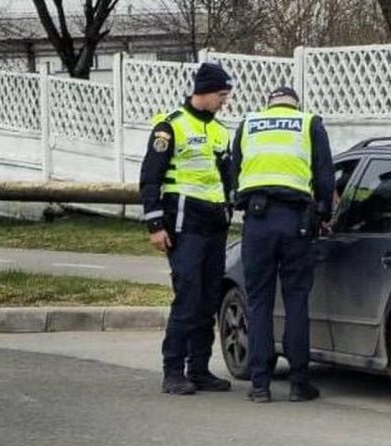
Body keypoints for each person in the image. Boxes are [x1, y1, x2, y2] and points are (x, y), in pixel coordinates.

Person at [232, 86, 334, 403]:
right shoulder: (309, 123)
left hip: (257, 222)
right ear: (295, 105)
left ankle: (260, 384)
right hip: (296, 223)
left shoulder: (248, 124)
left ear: (270, 105)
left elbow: (233, 174)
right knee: (296, 301)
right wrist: (323, 214)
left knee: (259, 302)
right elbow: (325, 176)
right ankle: (299, 382)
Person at [139, 62, 235, 395]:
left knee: (209, 298)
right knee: (188, 297)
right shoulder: (170, 127)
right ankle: (173, 370)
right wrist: (155, 224)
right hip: (183, 222)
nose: (225, 101)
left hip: (214, 223)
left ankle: (199, 368)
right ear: (205, 92)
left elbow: (228, 177)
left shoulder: (222, 131)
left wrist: (233, 206)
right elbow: (150, 178)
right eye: (222, 95)